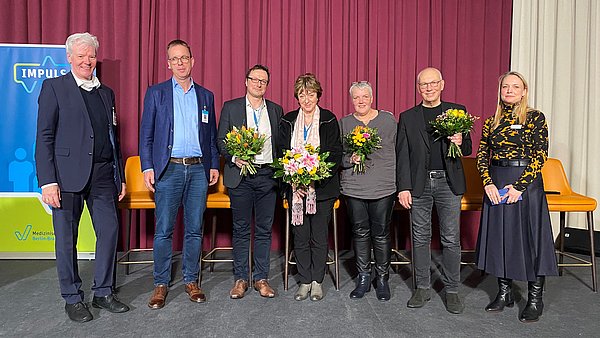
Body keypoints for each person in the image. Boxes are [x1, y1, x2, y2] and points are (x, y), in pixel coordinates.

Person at [35, 32, 129, 322]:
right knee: (66, 239)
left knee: (110, 231)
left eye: (91, 55)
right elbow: (44, 137)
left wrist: (120, 175)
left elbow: (114, 137)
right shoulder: (54, 88)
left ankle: (103, 292)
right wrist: (47, 181)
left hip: (103, 175)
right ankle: (73, 298)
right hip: (65, 177)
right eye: (81, 55)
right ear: (69, 58)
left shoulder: (106, 93)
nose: (87, 60)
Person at [139, 39, 219, 309]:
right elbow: (146, 135)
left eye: (184, 57)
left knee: (195, 229)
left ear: (192, 60)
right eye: (175, 59)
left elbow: (211, 137)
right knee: (164, 229)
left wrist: (214, 165)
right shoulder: (156, 93)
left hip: (198, 168)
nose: (180, 63)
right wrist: (148, 167)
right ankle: (161, 283)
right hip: (168, 168)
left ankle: (190, 280)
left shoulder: (206, 96)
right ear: (168, 63)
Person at [476, 71, 558, 323]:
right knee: (500, 238)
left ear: (524, 91)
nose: (509, 90)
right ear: (500, 91)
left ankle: (535, 298)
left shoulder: (535, 117)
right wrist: (488, 182)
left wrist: (519, 187)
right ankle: (504, 293)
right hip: (498, 181)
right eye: (505, 87)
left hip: (526, 183)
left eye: (515, 86)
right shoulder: (492, 121)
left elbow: (540, 155)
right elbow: (482, 154)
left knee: (530, 238)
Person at [396, 67, 472, 314]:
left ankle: (452, 290)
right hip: (419, 184)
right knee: (420, 238)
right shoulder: (407, 117)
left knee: (451, 238)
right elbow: (403, 155)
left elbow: (468, 147)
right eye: (423, 84)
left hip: (449, 183)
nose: (428, 88)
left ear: (442, 84)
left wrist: (461, 141)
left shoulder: (457, 111)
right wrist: (404, 187)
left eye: (432, 83)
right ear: (418, 88)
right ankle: (422, 288)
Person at [217, 65, 283, 299]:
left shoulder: (276, 110)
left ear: (267, 85)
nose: (258, 84)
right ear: (246, 81)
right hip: (240, 176)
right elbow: (221, 142)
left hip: (267, 177)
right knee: (241, 229)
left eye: (263, 81)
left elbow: (281, 145)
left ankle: (261, 278)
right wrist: (236, 157)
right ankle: (241, 279)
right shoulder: (231, 107)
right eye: (254, 79)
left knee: (264, 230)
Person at [279, 73, 342, 301]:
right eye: (302, 94)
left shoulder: (328, 119)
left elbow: (335, 153)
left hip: (322, 190)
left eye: (311, 94)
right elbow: (281, 154)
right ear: (297, 96)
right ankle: (304, 281)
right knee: (301, 235)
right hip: (295, 189)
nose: (307, 99)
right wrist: (295, 179)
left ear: (318, 95)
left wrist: (316, 177)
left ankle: (317, 281)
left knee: (318, 235)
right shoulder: (288, 120)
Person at [339, 81, 396, 301]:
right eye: (356, 98)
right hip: (354, 188)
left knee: (381, 234)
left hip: (383, 187)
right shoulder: (345, 123)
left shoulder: (388, 121)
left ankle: (382, 278)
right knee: (360, 233)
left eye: (364, 97)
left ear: (371, 98)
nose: (360, 101)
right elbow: (339, 158)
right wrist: (350, 159)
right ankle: (363, 277)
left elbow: (399, 151)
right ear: (351, 100)